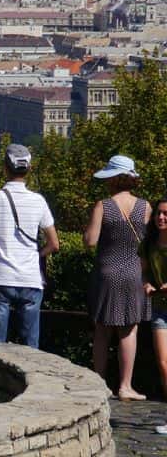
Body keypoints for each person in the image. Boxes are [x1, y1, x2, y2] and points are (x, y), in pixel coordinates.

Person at [0, 144, 59, 348]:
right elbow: (54, 243)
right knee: (30, 346)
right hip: (30, 279)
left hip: (0, 277)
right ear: (29, 170)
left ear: (5, 168)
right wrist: (37, 255)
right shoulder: (38, 201)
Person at [84, 155, 152, 401]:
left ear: (112, 179)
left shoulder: (103, 205)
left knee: (102, 330)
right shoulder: (146, 207)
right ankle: (126, 385)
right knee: (128, 330)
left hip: (106, 272)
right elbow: (149, 245)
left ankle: (99, 383)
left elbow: (90, 241)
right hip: (133, 272)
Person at [139, 198, 167, 410]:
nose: (161, 217)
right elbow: (144, 273)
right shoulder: (148, 244)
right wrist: (147, 284)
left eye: (165, 213)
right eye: (158, 213)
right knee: (163, 363)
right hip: (160, 308)